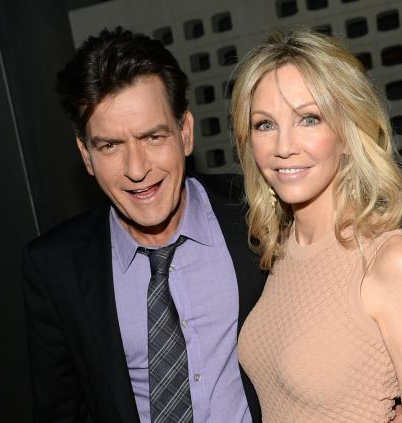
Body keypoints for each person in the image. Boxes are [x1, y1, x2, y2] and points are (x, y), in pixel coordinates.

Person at [22, 28, 265, 423]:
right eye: (110, 146)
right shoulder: (55, 268)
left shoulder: (260, 214)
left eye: (153, 137)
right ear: (86, 155)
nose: (136, 170)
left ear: (185, 133)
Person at [232, 29, 402, 422]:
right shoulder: (279, 250)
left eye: (309, 118)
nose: (283, 146)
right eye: (265, 124)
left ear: (348, 135)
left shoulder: (394, 261)